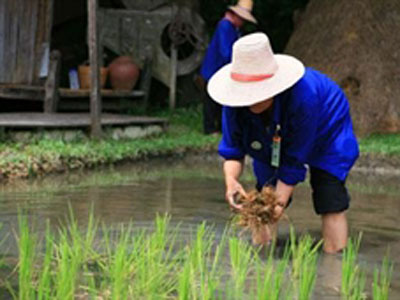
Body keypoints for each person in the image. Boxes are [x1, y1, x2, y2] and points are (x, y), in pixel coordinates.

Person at [207, 32, 359, 254]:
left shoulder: (304, 97)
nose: (250, 98)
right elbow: (233, 150)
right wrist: (231, 181)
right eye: (245, 93)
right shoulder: (233, 104)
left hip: (328, 129)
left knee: (329, 194)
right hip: (271, 137)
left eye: (257, 92)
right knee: (264, 196)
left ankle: (335, 262)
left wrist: (278, 204)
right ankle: (261, 254)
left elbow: (293, 161)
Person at [199, 0, 257, 135]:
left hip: (222, 68)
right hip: (215, 68)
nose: (242, 22)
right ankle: (209, 129)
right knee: (211, 101)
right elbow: (226, 52)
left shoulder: (233, 28)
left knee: (221, 100)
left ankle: (219, 127)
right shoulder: (225, 26)